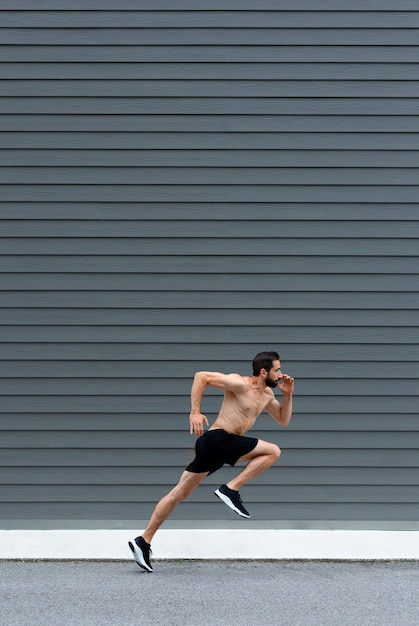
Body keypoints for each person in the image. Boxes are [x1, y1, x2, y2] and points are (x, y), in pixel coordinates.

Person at [128, 350, 295, 572]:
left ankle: (143, 541)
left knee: (179, 493)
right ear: (263, 371)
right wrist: (195, 413)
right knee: (273, 451)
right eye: (277, 370)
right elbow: (201, 376)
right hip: (216, 439)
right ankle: (230, 489)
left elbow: (283, 420)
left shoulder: (267, 396)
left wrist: (288, 395)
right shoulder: (240, 383)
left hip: (221, 448)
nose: (281, 374)